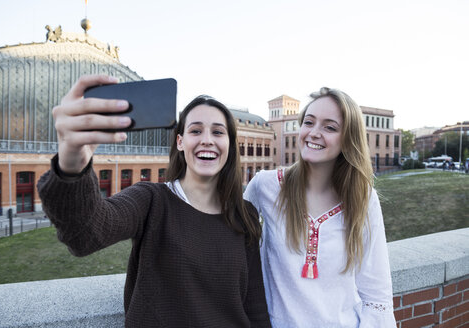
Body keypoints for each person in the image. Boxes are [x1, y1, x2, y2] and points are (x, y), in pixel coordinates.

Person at [37, 75, 271, 328]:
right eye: (195, 130)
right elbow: (86, 234)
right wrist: (72, 162)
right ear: (180, 142)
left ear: (229, 144)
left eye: (218, 132)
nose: (207, 139)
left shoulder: (243, 214)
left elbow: (254, 305)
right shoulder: (152, 200)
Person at [244, 87, 396, 327]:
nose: (314, 133)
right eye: (309, 122)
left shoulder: (363, 199)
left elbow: (376, 293)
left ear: (348, 138)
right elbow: (230, 241)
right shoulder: (265, 186)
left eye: (330, 127)